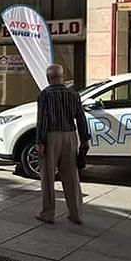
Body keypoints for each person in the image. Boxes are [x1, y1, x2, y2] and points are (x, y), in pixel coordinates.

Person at [35, 64, 90, 225]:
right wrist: (84, 139)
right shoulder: (73, 94)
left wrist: (40, 141)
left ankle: (48, 213)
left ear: (48, 78)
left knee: (48, 176)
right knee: (72, 176)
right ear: (62, 77)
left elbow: (42, 120)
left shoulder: (44, 95)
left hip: (51, 137)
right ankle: (76, 214)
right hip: (70, 136)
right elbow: (81, 118)